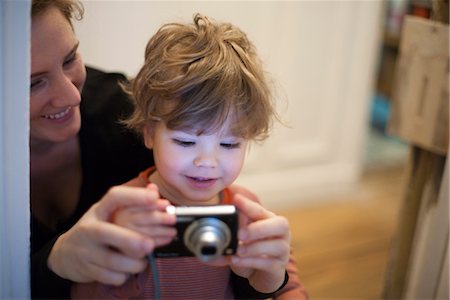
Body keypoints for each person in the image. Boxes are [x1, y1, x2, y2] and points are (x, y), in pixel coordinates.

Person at [71, 13, 308, 299]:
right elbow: (82, 289)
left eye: (230, 145)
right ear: (148, 133)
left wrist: (269, 277)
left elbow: (288, 285)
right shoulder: (123, 209)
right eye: (185, 141)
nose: (206, 162)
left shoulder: (245, 210)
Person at [30, 0, 170, 298]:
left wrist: (271, 281)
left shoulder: (126, 114)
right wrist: (54, 263)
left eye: (69, 60)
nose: (71, 95)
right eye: (33, 84)